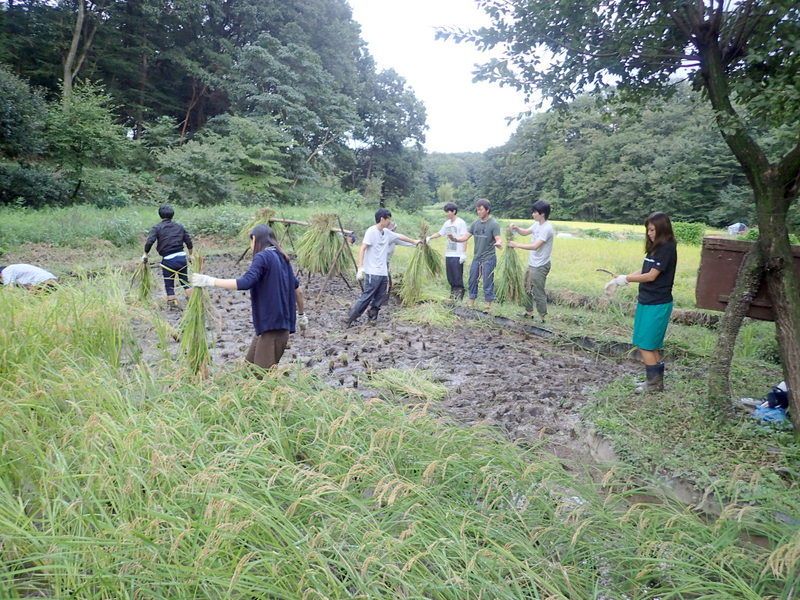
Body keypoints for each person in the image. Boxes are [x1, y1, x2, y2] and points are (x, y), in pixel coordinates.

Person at [190, 224, 307, 370]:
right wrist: (301, 315)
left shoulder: (262, 256)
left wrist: (210, 281)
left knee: (261, 376)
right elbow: (298, 291)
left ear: (254, 239)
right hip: (275, 328)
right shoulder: (283, 257)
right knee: (248, 372)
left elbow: (246, 282)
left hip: (272, 328)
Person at [606, 211, 677, 392]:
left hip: (657, 303)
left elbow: (652, 276)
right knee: (648, 344)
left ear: (662, 229)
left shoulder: (667, 248)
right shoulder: (656, 247)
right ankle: (655, 382)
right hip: (647, 300)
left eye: (653, 230)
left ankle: (653, 385)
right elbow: (645, 269)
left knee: (646, 345)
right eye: (648, 230)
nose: (649, 234)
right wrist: (622, 278)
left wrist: (627, 279)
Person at [347, 208, 419, 326]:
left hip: (383, 272)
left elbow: (400, 236)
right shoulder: (371, 231)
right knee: (367, 296)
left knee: (380, 297)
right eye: (388, 219)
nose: (390, 221)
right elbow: (363, 248)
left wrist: (415, 241)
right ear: (382, 219)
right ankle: (350, 317)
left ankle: (372, 317)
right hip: (372, 271)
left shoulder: (387, 232)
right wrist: (360, 267)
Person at [448, 198, 502, 312]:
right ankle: (471, 301)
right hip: (477, 257)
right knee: (472, 279)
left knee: (487, 281)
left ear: (487, 210)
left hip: (489, 258)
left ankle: (488, 305)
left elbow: (498, 238)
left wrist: (498, 243)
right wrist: (455, 239)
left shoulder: (494, 224)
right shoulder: (475, 223)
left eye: (481, 209)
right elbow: (465, 237)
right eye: (477, 210)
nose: (478, 212)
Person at [509, 200, 555, 323]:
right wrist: (516, 228)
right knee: (526, 287)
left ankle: (542, 316)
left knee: (538, 290)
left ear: (542, 214)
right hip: (532, 263)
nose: (533, 214)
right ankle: (529, 312)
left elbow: (535, 246)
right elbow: (525, 232)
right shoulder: (537, 224)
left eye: (535, 212)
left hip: (541, 265)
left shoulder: (547, 228)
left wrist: (516, 245)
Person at [143, 205, 194, 307]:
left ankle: (173, 305)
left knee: (169, 284)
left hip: (168, 260)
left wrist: (145, 254)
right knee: (184, 281)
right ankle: (193, 301)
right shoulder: (179, 226)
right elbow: (188, 241)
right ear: (172, 215)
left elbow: (150, 241)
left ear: (160, 215)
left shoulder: (157, 228)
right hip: (181, 258)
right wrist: (191, 255)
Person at [426, 202, 468, 300]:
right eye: (445, 212)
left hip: (457, 254)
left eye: (448, 212)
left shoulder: (461, 223)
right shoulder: (447, 223)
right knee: (450, 276)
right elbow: (440, 233)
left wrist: (463, 253)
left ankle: (459, 296)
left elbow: (465, 238)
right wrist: (430, 237)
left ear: (454, 211)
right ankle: (453, 296)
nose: (446, 214)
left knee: (457, 276)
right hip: (449, 253)